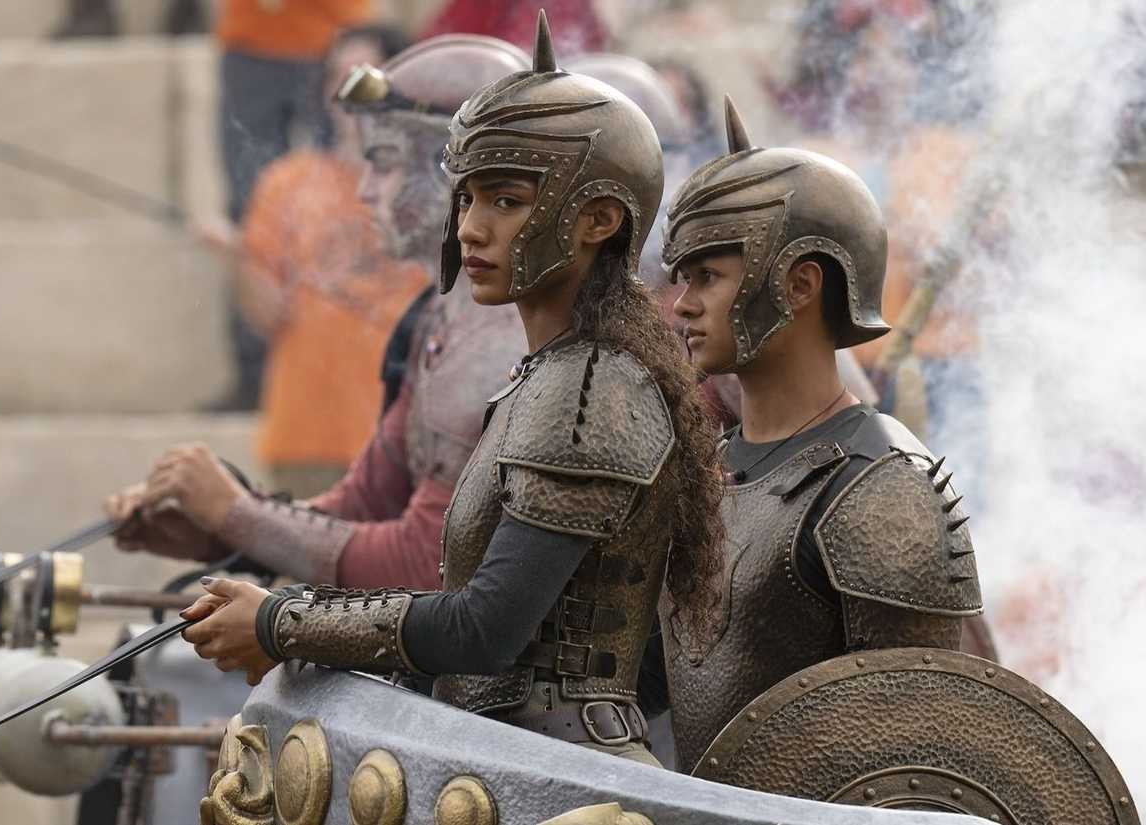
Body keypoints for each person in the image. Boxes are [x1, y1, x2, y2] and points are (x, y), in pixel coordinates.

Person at [175, 13, 726, 767]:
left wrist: (282, 621)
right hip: (497, 755)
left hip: (563, 778)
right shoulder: (553, 373)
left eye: (505, 200)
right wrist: (232, 541)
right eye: (466, 198)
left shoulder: (594, 388)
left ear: (597, 218)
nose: (471, 226)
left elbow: (482, 628)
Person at [104, 35, 532, 591]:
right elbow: (364, 504)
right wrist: (218, 532)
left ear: (452, 176)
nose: (365, 188)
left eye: (384, 163)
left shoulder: (497, 332)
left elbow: (426, 562)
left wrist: (238, 515)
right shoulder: (443, 314)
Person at [656, 98, 988, 772]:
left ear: (800, 284)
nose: (682, 303)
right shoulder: (715, 470)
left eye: (709, 277)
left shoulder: (883, 489)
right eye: (683, 278)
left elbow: (910, 769)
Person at [227, 24, 421, 498]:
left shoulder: (435, 189)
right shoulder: (287, 182)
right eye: (334, 78)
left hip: (411, 441)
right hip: (307, 441)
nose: (342, 94)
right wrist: (237, 255)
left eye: (360, 78)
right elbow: (267, 317)